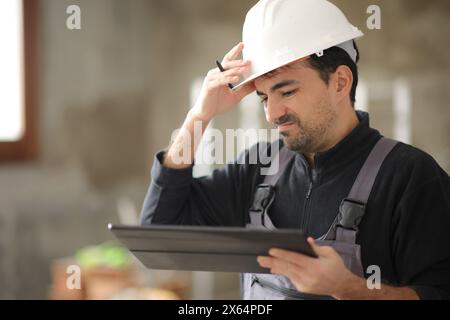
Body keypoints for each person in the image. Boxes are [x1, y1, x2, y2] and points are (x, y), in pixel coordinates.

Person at [140, 0, 450, 300]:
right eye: (263, 98)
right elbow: (157, 236)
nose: (272, 114)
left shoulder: (411, 177)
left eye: (287, 91)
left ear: (340, 82)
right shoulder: (258, 168)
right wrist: (198, 117)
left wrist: (352, 290)